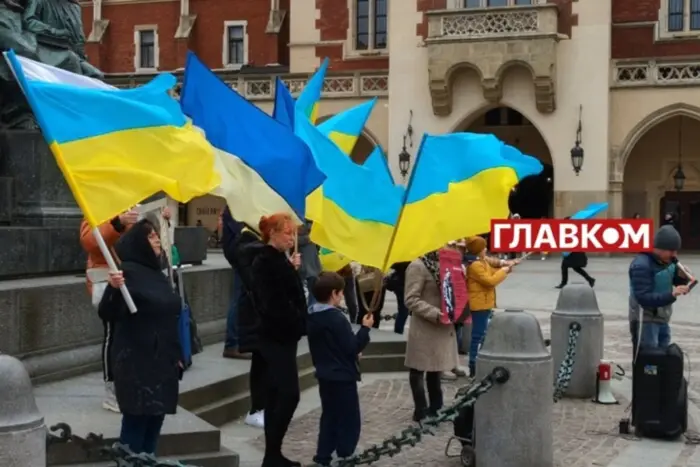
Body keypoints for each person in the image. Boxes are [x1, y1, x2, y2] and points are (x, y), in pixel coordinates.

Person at [98, 219, 182, 455]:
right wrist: (113, 290)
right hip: (137, 362)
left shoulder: (157, 274)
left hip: (162, 360)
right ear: (138, 243)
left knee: (154, 425)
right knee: (135, 427)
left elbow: (168, 317)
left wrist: (176, 354)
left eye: (156, 235)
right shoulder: (127, 273)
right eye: (150, 236)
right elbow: (108, 313)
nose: (156, 239)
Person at [250, 213, 307, 467]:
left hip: (283, 336)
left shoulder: (279, 260)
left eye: (293, 233)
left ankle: (273, 454)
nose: (291, 237)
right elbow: (273, 303)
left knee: (277, 395)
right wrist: (297, 319)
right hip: (275, 336)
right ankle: (272, 453)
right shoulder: (265, 260)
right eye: (287, 232)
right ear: (272, 232)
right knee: (287, 394)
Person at [307, 272, 374, 467]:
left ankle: (323, 455)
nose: (342, 296)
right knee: (349, 417)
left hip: (325, 373)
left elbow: (331, 345)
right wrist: (365, 329)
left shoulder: (312, 315)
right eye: (341, 293)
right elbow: (352, 346)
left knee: (329, 416)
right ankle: (346, 453)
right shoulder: (336, 318)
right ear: (334, 293)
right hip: (342, 376)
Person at [80, 208, 138, 412]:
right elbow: (90, 242)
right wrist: (116, 223)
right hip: (110, 282)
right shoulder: (95, 207)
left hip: (133, 280)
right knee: (113, 334)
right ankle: (112, 389)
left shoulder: (131, 205)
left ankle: (130, 385)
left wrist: (161, 222)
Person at [404, 250, 459, 422]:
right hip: (425, 326)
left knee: (436, 368)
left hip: (442, 326)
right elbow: (411, 299)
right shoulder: (417, 266)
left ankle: (436, 407)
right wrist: (435, 313)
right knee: (418, 369)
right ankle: (420, 410)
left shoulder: (446, 264)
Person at [629, 225, 691, 350]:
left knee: (663, 359)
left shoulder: (669, 261)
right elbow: (643, 297)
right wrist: (671, 295)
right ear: (659, 248)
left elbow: (674, 282)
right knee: (648, 361)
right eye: (671, 251)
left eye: (676, 251)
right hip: (645, 320)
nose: (674, 255)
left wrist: (682, 278)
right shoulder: (642, 265)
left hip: (662, 318)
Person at [231, 220, 267, 429]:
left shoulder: (260, 247)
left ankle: (263, 406)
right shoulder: (248, 246)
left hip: (264, 316)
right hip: (256, 316)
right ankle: (256, 409)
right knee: (261, 365)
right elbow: (254, 280)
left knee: (267, 364)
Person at [466, 236, 511, 377]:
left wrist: (505, 269)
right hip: (479, 304)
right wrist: (503, 271)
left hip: (484, 302)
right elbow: (489, 281)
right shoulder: (475, 265)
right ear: (478, 250)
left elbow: (491, 272)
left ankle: (478, 361)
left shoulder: (481, 262)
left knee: (482, 334)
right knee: (478, 335)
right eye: (483, 247)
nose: (486, 249)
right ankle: (473, 364)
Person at [221, 206, 251, 360]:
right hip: (241, 256)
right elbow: (239, 234)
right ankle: (232, 343)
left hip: (242, 255)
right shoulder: (234, 207)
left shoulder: (236, 205)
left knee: (242, 299)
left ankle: (238, 341)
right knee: (238, 300)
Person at [298, 221, 322, 305]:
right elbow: (295, 240)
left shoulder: (312, 224)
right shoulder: (298, 224)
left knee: (314, 292)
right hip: (303, 265)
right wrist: (310, 238)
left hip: (312, 265)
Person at [385, 261, 411, 335]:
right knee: (403, 311)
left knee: (403, 311)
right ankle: (398, 332)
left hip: (401, 283)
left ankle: (398, 332)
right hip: (402, 284)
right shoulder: (406, 257)